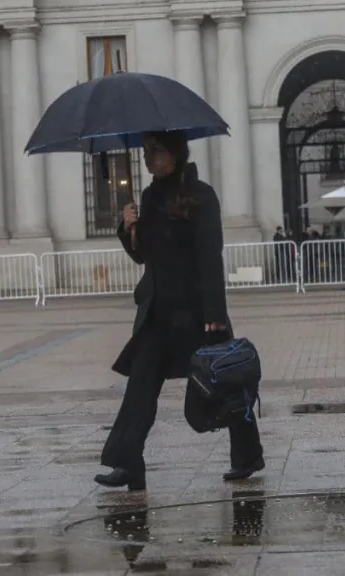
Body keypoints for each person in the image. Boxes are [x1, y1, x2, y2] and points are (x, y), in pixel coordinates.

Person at [95, 130, 264, 491]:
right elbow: (144, 256)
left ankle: (248, 454)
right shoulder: (150, 197)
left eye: (154, 150)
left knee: (224, 383)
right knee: (140, 386)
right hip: (158, 312)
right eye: (144, 150)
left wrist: (215, 312)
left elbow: (210, 256)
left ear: (174, 153)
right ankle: (127, 462)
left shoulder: (201, 196)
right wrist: (129, 229)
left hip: (197, 311)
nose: (146, 157)